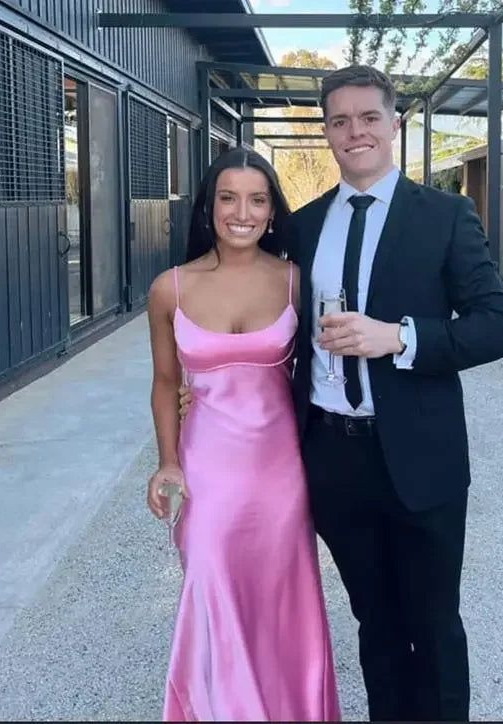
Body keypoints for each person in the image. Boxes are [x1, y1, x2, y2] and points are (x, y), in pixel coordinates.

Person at [182, 65, 503, 721]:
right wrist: (210, 387)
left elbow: (497, 326)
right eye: (340, 121)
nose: (354, 132)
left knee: (434, 622)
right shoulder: (300, 229)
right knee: (375, 620)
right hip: (332, 460)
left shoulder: (446, 216)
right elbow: (261, 322)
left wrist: (398, 337)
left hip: (422, 458)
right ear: (327, 133)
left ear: (395, 124)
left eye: (368, 118)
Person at [146, 147, 340, 722]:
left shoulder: (295, 283)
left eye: (257, 200)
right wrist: (167, 462)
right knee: (210, 595)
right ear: (207, 207)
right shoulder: (169, 289)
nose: (242, 212)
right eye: (228, 198)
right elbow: (163, 383)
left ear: (273, 211)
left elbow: (325, 372)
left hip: (281, 474)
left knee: (282, 605)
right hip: (205, 470)